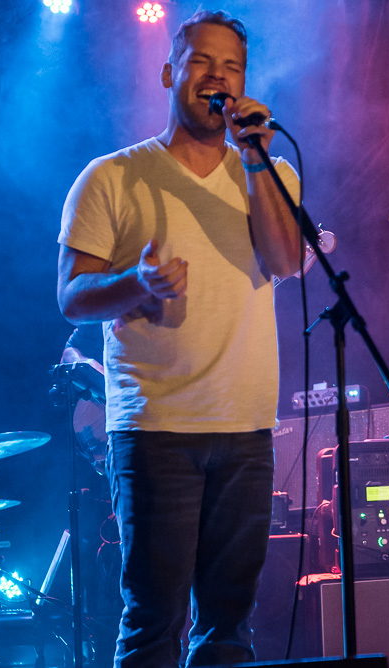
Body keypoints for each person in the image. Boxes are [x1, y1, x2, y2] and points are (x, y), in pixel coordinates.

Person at [56, 10, 300, 667]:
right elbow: (71, 298)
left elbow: (283, 260)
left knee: (228, 628)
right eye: (201, 62)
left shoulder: (270, 174)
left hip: (247, 426)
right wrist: (136, 282)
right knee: (154, 622)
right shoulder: (112, 176)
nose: (217, 77)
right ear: (169, 72)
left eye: (232, 68)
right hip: (156, 426)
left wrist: (254, 158)